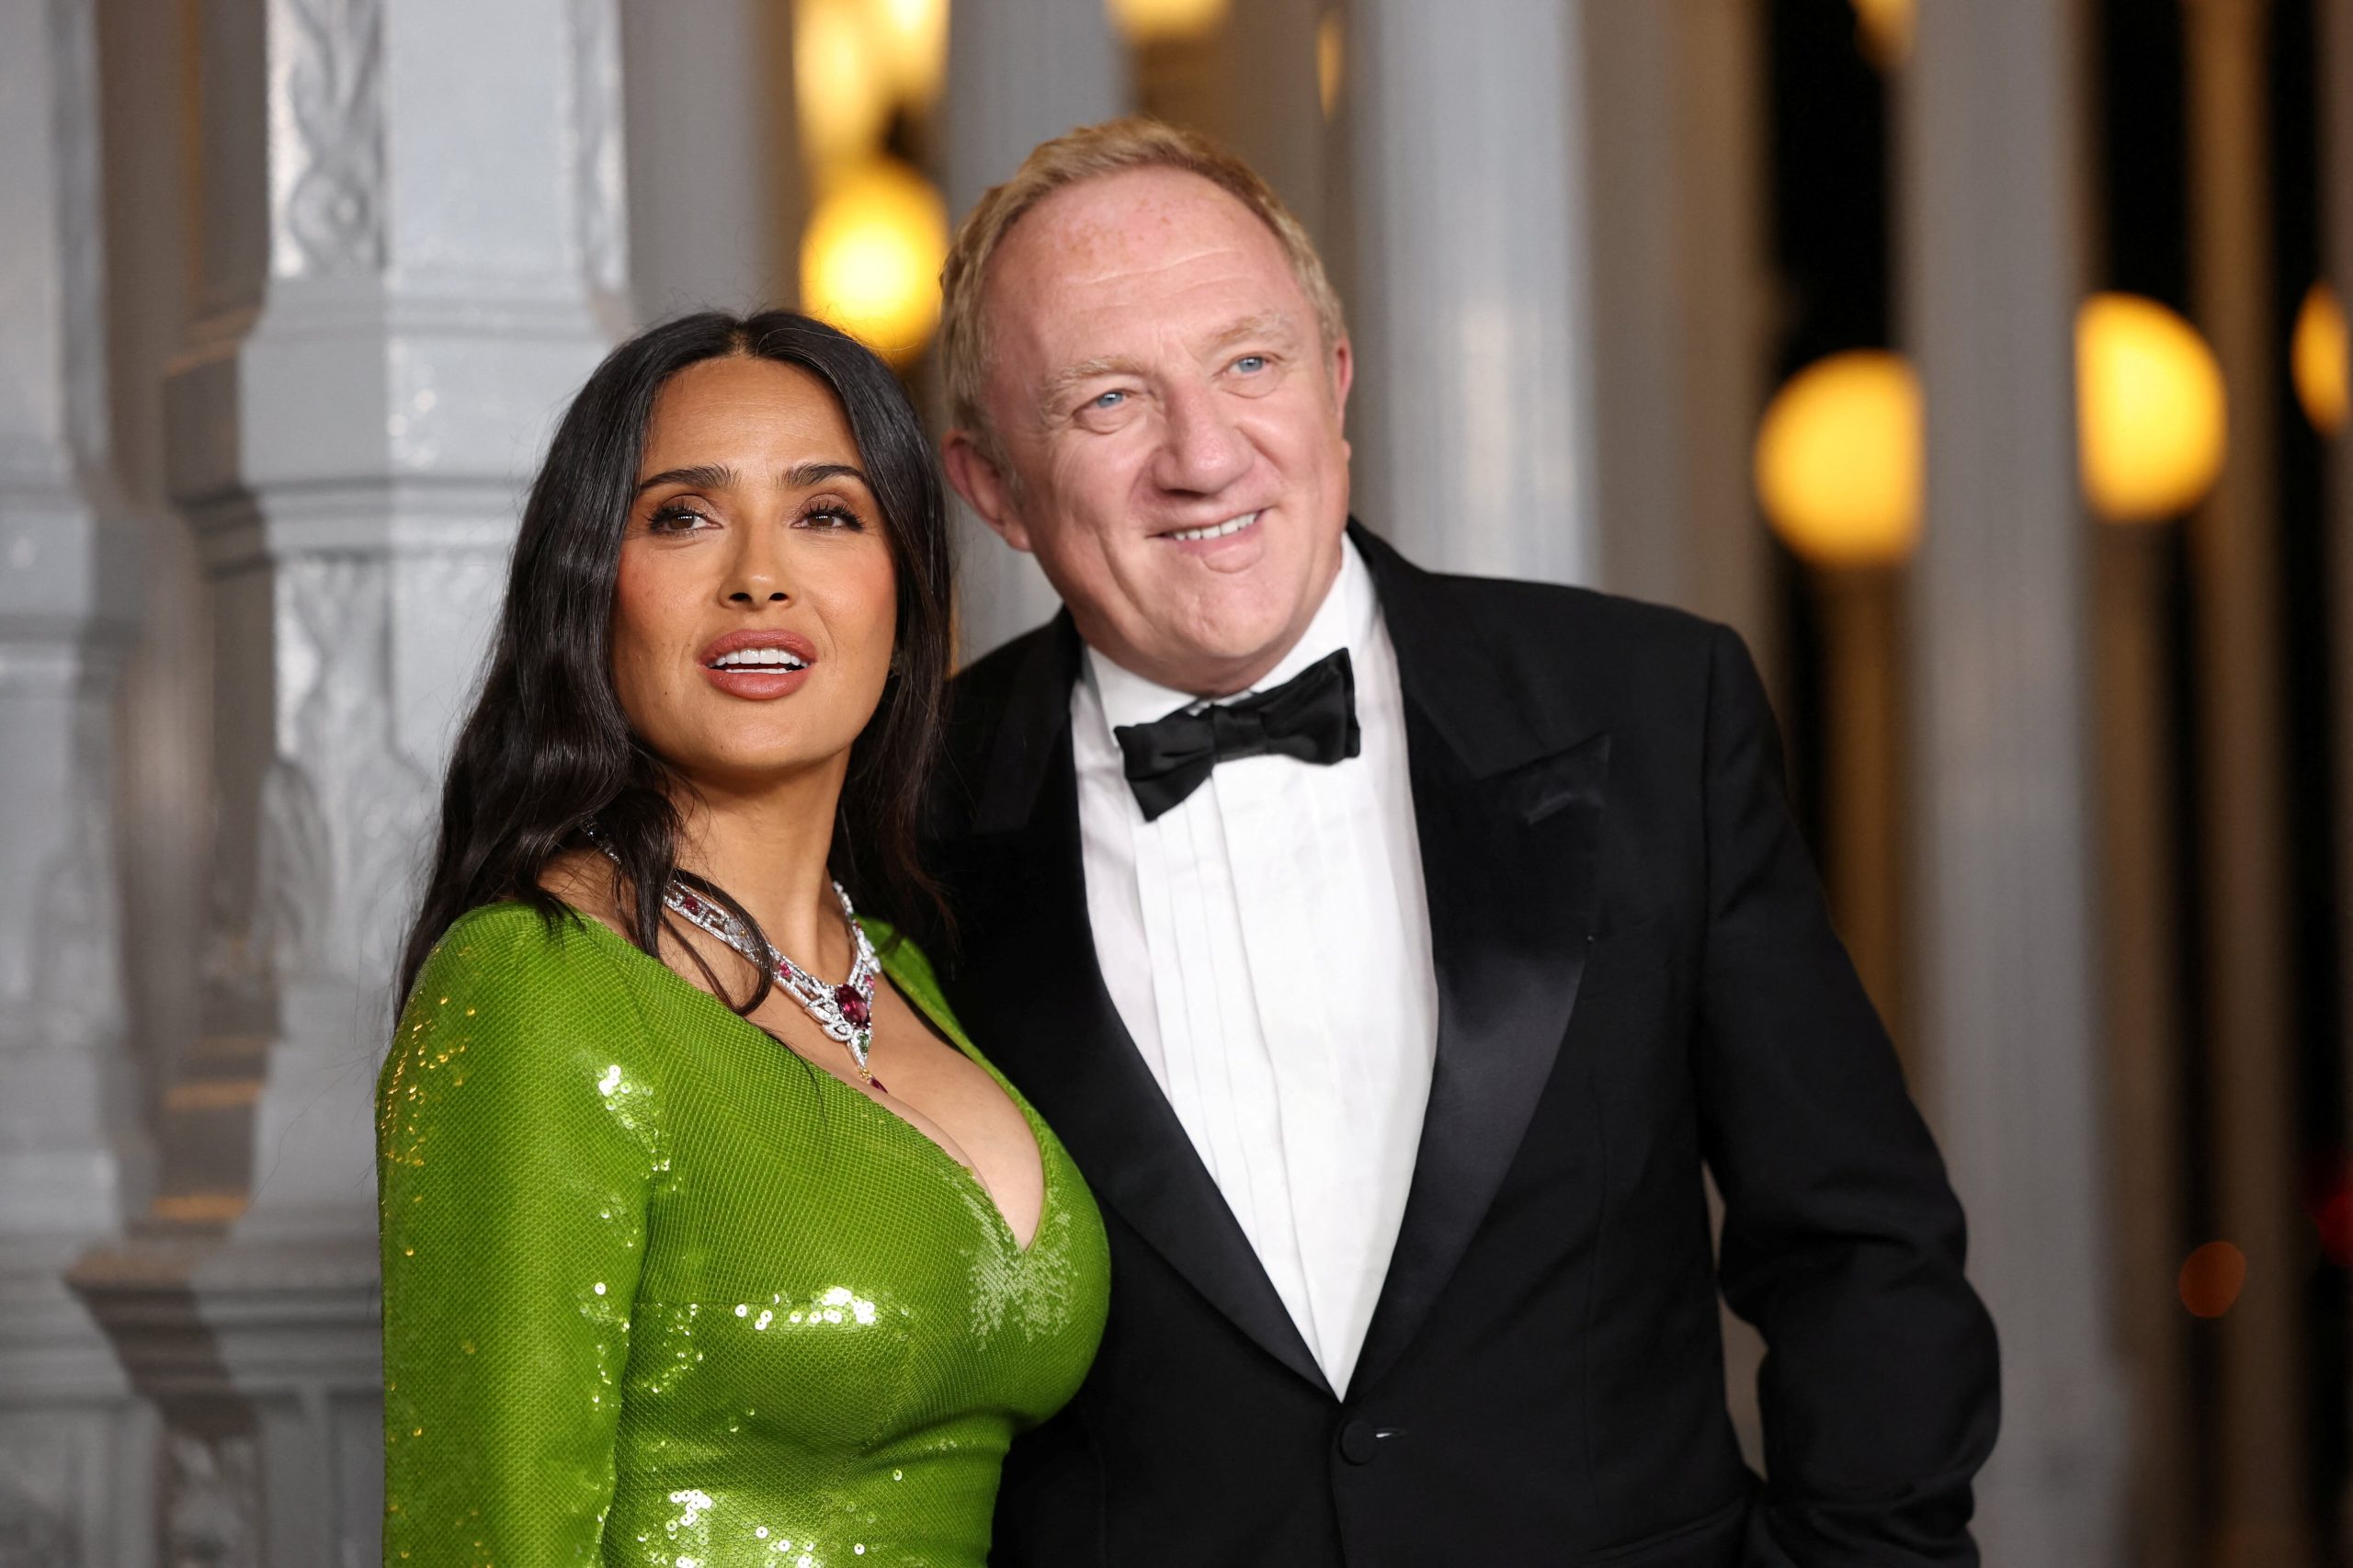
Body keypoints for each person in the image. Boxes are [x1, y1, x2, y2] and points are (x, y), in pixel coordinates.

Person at [918, 118, 2000, 1565]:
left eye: (1250, 363)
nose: (1204, 454)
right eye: (1108, 400)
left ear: (1336, 381)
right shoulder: (899, 815)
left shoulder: (1653, 708)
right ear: (992, 483)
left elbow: (1860, 1246)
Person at [378, 310, 1108, 1567]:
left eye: (827, 514)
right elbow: (482, 1536)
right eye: (683, 517)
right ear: (588, 589)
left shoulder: (905, 971)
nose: (759, 576)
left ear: (906, 594)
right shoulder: (534, 981)